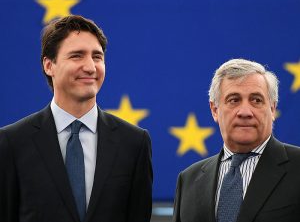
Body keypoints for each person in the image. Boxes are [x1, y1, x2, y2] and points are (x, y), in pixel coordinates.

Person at [0, 15, 152, 222]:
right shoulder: (12, 142)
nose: (90, 67)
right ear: (48, 65)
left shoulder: (134, 142)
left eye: (97, 57)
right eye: (77, 56)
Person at [173, 59, 300, 222]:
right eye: (234, 100)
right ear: (215, 110)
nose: (245, 112)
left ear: (273, 108)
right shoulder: (188, 180)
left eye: (256, 100)